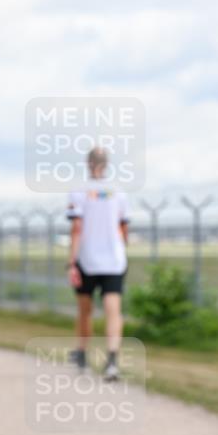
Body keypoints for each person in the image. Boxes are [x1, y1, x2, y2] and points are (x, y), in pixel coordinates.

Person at [66, 147, 129, 381]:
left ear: (87, 163)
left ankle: (82, 352)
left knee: (85, 310)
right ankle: (112, 360)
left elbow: (76, 228)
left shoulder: (79, 192)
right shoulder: (118, 192)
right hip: (114, 260)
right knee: (114, 310)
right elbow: (124, 228)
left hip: (87, 259)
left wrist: (71, 261)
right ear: (107, 164)